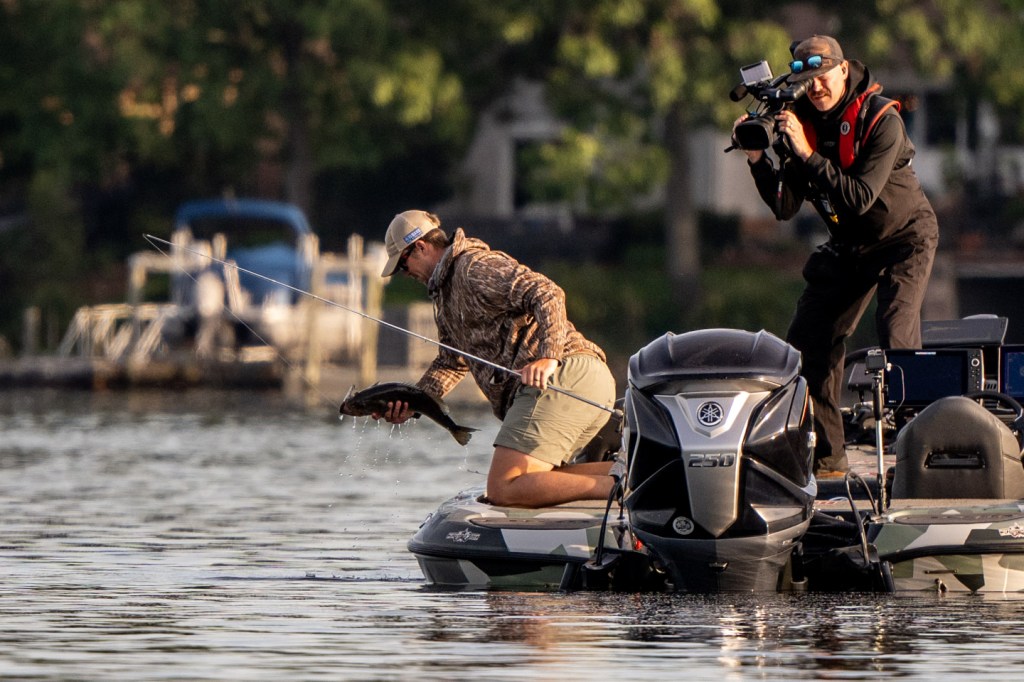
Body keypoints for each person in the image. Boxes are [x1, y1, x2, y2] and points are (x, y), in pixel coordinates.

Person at [732, 35, 939, 475]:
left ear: (844, 70)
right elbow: (785, 207)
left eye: (824, 76)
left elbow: (859, 197)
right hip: (851, 244)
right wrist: (758, 159)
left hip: (904, 237)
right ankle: (828, 459)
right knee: (810, 339)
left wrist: (807, 155)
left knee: (896, 328)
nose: (817, 87)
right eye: (808, 81)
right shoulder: (798, 122)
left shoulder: (880, 119)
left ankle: (922, 452)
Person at [373, 209, 618, 507]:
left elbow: (547, 292)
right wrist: (412, 404)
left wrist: (549, 357)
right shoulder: (446, 297)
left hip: (564, 377)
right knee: (541, 479)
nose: (405, 274)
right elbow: (451, 363)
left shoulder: (473, 267)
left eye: (402, 264)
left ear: (421, 247)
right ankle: (630, 477)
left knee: (504, 486)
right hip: (584, 382)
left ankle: (620, 492)